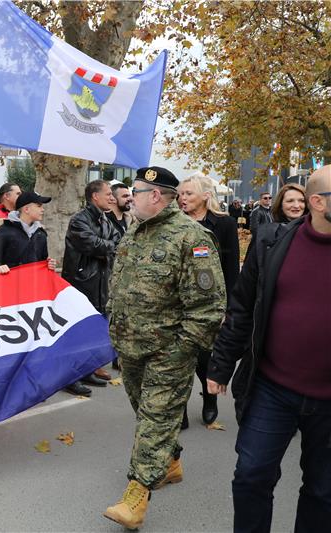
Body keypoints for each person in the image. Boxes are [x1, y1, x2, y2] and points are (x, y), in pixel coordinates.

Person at [207, 165, 331, 533]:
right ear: (317, 202)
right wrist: (220, 364)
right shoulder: (271, 243)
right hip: (273, 388)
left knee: (324, 492)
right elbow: (243, 308)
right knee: (251, 476)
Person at [103, 166, 226, 530]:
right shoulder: (136, 231)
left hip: (168, 352)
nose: (127, 197)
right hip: (130, 346)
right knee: (145, 411)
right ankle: (169, 463)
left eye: (135, 191)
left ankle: (136, 495)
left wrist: (183, 348)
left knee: (155, 419)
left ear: (155, 195)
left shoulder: (192, 238)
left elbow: (209, 306)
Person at [177, 173, 240, 427]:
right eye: (180, 194)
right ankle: (177, 409)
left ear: (206, 195)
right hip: (178, 303)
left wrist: (228, 308)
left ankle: (210, 398)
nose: (183, 199)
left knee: (204, 359)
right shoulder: (174, 223)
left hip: (208, 305)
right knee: (177, 359)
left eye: (188, 194)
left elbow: (231, 269)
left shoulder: (224, 225)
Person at [62, 180, 121, 395]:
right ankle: (71, 376)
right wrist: (109, 247)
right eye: (108, 194)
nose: (112, 197)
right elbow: (92, 244)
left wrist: (107, 246)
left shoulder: (105, 220)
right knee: (77, 334)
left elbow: (117, 241)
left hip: (100, 284)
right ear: (95, 196)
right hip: (82, 284)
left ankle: (86, 371)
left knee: (92, 333)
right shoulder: (79, 220)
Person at [0, 191, 56, 273]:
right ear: (26, 209)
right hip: (10, 283)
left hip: (33, 284)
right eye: (39, 206)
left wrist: (48, 264)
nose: (43, 210)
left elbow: (42, 261)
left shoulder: (41, 234)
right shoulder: (4, 231)